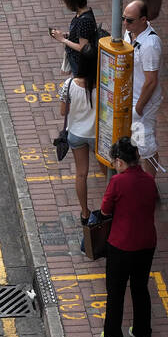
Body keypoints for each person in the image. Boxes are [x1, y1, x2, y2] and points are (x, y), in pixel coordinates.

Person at [98, 136, 158, 337]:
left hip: (121, 244)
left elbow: (105, 210)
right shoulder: (149, 180)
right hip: (147, 243)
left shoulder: (117, 182)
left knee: (116, 291)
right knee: (140, 288)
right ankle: (143, 333)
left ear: (120, 162)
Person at [58, 42, 98, 225]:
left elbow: (63, 112)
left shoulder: (68, 84)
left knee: (81, 174)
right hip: (97, 135)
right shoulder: (103, 86)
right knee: (108, 172)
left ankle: (84, 212)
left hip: (76, 134)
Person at [123, 0, 162, 175]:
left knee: (145, 144)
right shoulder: (129, 33)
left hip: (143, 103)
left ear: (143, 19)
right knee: (135, 141)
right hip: (131, 98)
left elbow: (151, 81)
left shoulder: (150, 45)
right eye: (124, 18)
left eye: (129, 20)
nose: (125, 23)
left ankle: (149, 186)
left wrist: (138, 109)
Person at [48, 0, 99, 76]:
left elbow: (82, 47)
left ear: (73, 3)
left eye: (66, 3)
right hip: (76, 59)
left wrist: (62, 40)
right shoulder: (83, 13)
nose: (66, 6)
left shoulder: (84, 21)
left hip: (79, 62)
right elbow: (82, 34)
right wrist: (67, 35)